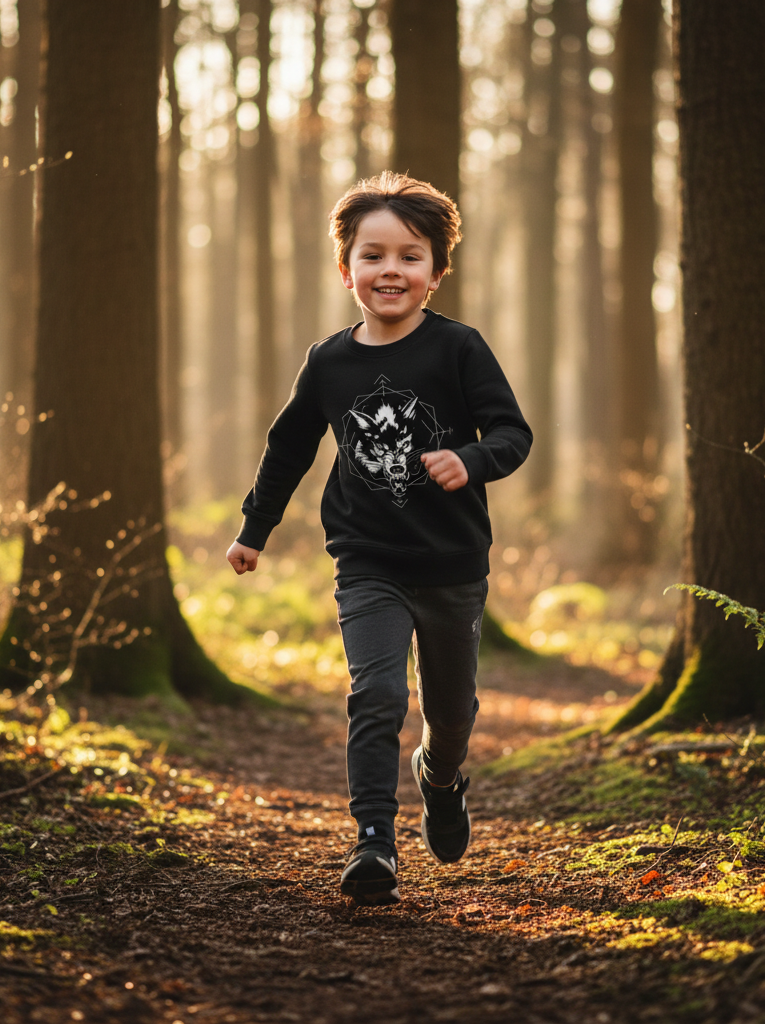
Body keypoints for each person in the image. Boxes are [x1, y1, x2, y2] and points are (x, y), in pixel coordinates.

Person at [226, 172, 532, 905]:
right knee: (377, 692)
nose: (390, 269)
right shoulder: (330, 361)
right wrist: (254, 530)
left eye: (410, 256)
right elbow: (289, 446)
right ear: (346, 269)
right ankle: (373, 843)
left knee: (451, 711)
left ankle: (443, 776)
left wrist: (470, 459)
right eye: (373, 255)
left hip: (454, 563)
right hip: (367, 559)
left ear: (436, 273)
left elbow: (513, 434)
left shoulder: (459, 348)